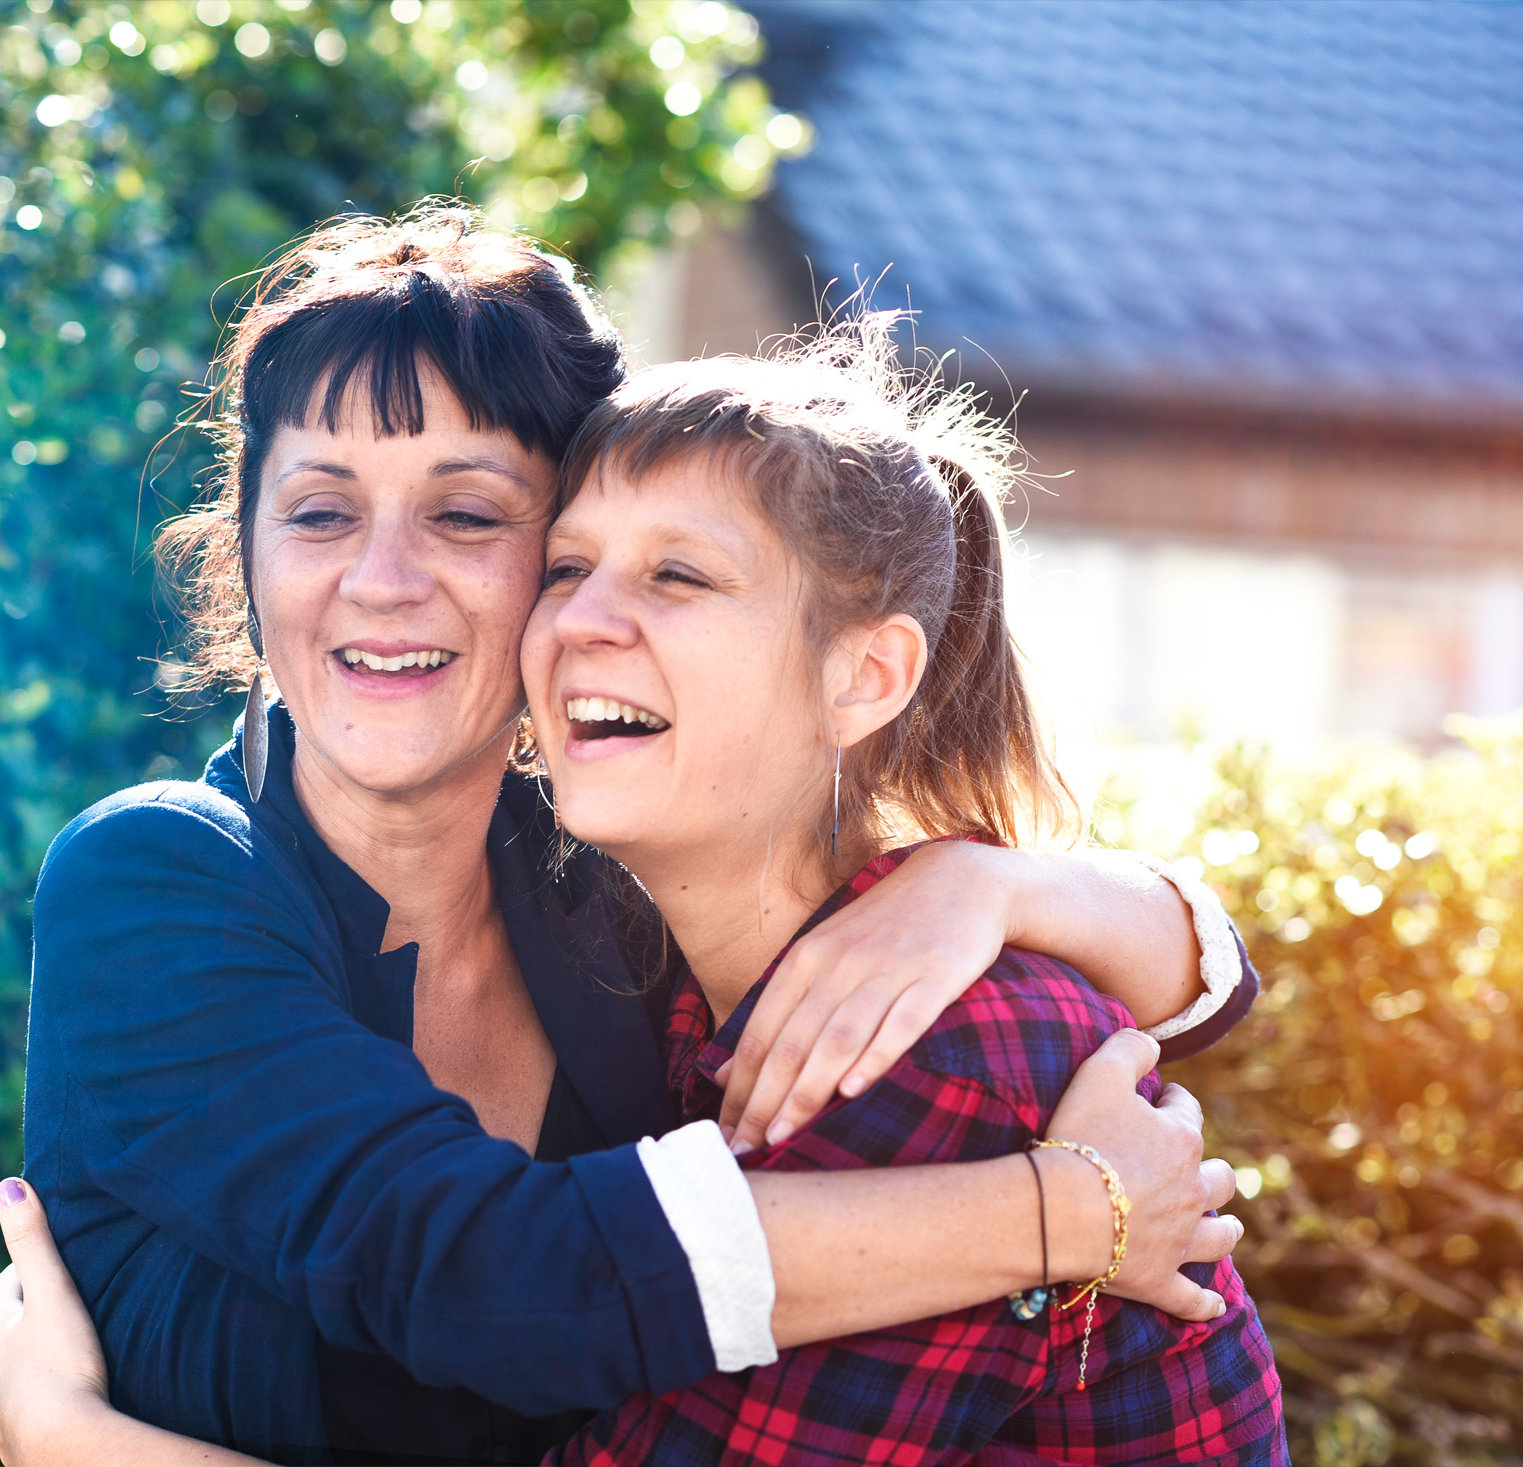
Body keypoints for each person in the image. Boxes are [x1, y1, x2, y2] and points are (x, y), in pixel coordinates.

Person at [13, 206, 1255, 1465]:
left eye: (468, 517)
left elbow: (1186, 998)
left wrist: (987, 884)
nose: (381, 579)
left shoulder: (614, 884)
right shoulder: (158, 881)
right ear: (248, 548)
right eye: (321, 514)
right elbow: (479, 1278)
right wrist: (1067, 1212)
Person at [529, 329, 1286, 1463]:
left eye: (676, 575)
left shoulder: (938, 1052)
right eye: (564, 567)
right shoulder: (668, 966)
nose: (581, 619)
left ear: (864, 678)